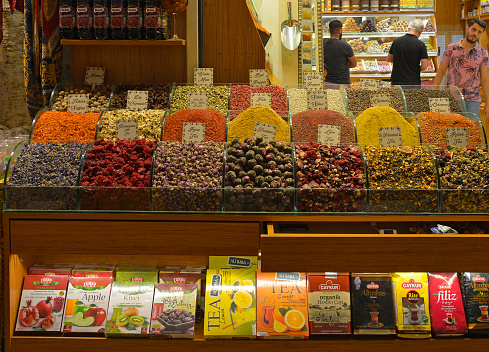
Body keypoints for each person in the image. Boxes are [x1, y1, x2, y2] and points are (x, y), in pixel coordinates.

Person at [433, 18, 489, 118]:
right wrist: (433, 93)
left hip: (473, 100)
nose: (475, 33)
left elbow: (485, 79)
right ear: (467, 28)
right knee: (452, 130)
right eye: (473, 29)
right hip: (452, 98)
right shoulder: (451, 48)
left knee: (471, 131)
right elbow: (441, 71)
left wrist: (488, 102)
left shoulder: (483, 53)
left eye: (479, 32)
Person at [387, 19, 429, 86]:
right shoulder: (420, 44)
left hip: (397, 80)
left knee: (398, 96)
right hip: (413, 81)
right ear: (420, 31)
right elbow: (424, 66)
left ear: (409, 28)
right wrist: (414, 69)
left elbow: (389, 59)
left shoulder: (397, 41)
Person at [323, 19, 357, 85]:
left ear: (329, 31)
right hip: (343, 82)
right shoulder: (345, 46)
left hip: (327, 82)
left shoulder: (323, 45)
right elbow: (354, 64)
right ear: (340, 31)